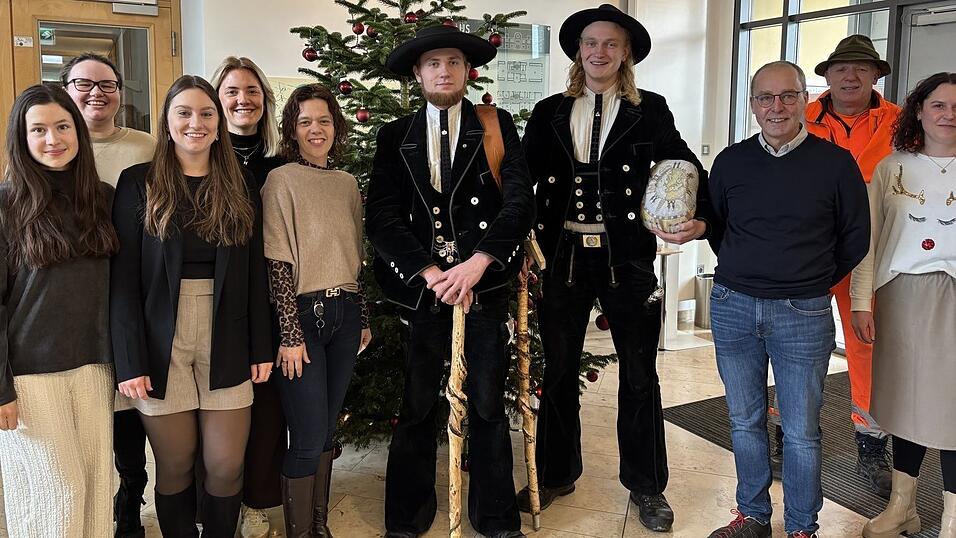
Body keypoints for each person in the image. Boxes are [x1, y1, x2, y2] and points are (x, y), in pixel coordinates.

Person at [519, 4, 713, 532]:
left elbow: (684, 167)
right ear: (577, 51)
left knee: (640, 375)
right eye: (590, 43)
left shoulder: (650, 109)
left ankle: (647, 486)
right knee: (557, 372)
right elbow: (521, 181)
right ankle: (557, 473)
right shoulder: (549, 112)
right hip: (562, 261)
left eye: (610, 43)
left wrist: (698, 221)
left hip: (627, 261)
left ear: (625, 52)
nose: (599, 52)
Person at [366, 24, 534, 538]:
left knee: (485, 400)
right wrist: (432, 272)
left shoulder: (497, 125)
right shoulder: (396, 135)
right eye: (434, 63)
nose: (445, 71)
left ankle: (496, 517)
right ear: (418, 73)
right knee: (417, 402)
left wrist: (479, 262)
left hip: (482, 287)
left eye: (454, 63)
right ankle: (407, 515)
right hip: (424, 289)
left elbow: (520, 203)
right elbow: (382, 215)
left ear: (468, 71)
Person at [704, 61, 870, 538]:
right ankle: (752, 516)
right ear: (752, 103)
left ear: (804, 99)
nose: (776, 107)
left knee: (801, 430)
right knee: (744, 420)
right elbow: (719, 227)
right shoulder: (731, 162)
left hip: (803, 311)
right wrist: (749, 267)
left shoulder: (836, 164)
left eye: (787, 96)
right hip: (733, 305)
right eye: (765, 98)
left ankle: (801, 527)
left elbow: (854, 238)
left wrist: (806, 276)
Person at [110, 75, 272, 537]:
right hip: (159, 337)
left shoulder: (239, 181)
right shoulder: (137, 182)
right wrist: (130, 359)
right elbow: (121, 281)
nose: (195, 123)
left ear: (219, 125)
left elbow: (256, 272)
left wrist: (262, 346)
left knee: (224, 466)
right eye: (183, 113)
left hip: (229, 332)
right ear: (166, 121)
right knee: (175, 464)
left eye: (206, 114)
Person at [763, 35, 900, 494]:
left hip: (874, 252)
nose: (851, 76)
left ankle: (870, 441)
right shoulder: (798, 116)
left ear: (877, 75)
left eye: (862, 68)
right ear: (825, 76)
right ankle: (785, 430)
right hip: (811, 252)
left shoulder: (901, 123)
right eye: (842, 68)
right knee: (793, 344)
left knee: (868, 344)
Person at [0, 83, 118, 537]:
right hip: (30, 375)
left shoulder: (103, 198)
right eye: (39, 130)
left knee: (95, 489)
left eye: (62, 126)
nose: (53, 139)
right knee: (58, 501)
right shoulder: (6, 203)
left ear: (78, 131)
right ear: (22, 138)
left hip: (93, 367)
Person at [262, 83, 372, 538]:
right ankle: (300, 532)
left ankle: (318, 526)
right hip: (303, 317)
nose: (315, 129)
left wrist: (362, 317)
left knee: (327, 432)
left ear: (335, 126)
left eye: (323, 120)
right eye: (305, 121)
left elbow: (356, 253)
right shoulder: (281, 180)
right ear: (292, 128)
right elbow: (277, 260)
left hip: (345, 314)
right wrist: (289, 333)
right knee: (307, 436)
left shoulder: (347, 184)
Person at [851, 72, 956, 538]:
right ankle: (903, 507)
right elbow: (869, 241)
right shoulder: (893, 167)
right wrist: (861, 300)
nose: (948, 115)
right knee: (906, 402)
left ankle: (953, 516)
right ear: (918, 110)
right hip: (902, 295)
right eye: (938, 105)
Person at [60, 51, 157, 538]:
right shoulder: (55, 144)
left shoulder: (144, 145)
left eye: (107, 84)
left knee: (129, 408)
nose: (96, 93)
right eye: (83, 84)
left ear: (121, 92)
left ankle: (128, 504)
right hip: (74, 295)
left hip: (131, 287)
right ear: (66, 88)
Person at [211, 55, 287, 538]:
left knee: (265, 409)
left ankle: (257, 502)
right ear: (217, 101)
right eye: (232, 91)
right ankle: (215, 501)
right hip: (215, 301)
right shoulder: (198, 159)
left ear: (265, 100)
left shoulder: (281, 165)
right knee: (215, 408)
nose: (243, 100)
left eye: (252, 91)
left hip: (273, 301)